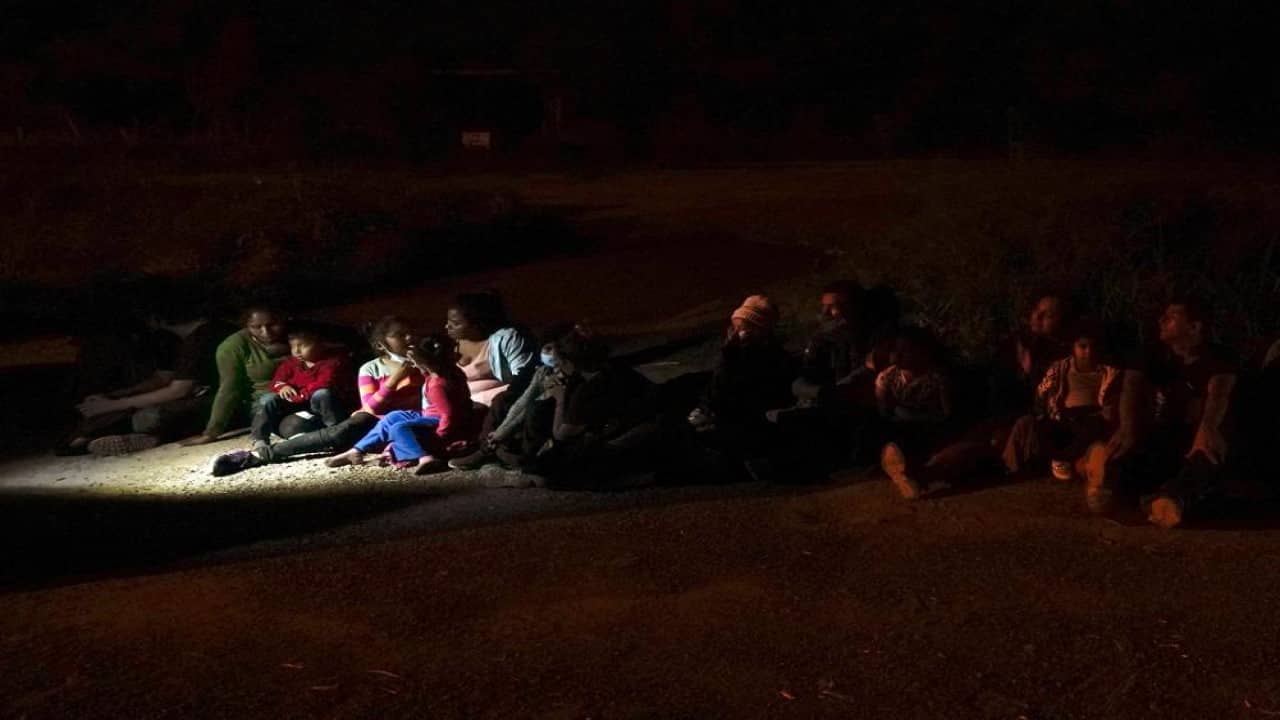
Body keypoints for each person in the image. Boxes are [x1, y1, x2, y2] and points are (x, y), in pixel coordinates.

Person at [209, 316, 425, 476]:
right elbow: (372, 407)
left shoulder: (428, 362)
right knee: (339, 431)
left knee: (339, 429)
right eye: (399, 335)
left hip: (416, 418)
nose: (409, 337)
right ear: (381, 344)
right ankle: (259, 455)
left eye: (412, 331)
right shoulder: (371, 369)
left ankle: (264, 453)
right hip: (378, 420)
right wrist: (394, 379)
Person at [1101, 298, 1239, 528]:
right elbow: (1131, 385)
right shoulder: (1154, 353)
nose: (1161, 321)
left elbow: (1219, 393)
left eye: (1172, 317)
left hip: (1199, 437)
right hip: (1169, 434)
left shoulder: (1219, 357)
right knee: (1128, 455)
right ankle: (1137, 493)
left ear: (1194, 327)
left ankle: (1173, 498)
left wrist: (1208, 427)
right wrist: (1127, 426)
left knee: (1211, 445)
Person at [59, 301, 236, 456]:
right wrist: (116, 396)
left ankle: (97, 439)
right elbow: (164, 378)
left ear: (156, 320)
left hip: (229, 401)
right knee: (139, 410)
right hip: (215, 396)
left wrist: (110, 405)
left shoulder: (200, 340)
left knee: (151, 415)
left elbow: (178, 390)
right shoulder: (196, 335)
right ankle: (98, 437)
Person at [325, 332, 478, 474]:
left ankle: (425, 458)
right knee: (394, 417)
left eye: (415, 361)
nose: (413, 365)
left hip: (442, 423)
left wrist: (441, 437)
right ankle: (356, 451)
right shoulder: (449, 373)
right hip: (432, 416)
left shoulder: (437, 384)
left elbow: (448, 415)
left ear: (425, 362)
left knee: (399, 428)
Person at [529, 328, 658, 489]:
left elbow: (561, 435)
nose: (558, 369)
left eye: (560, 364)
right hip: (646, 429)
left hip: (629, 441)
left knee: (549, 470)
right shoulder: (613, 369)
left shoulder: (588, 389)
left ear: (571, 363)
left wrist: (560, 397)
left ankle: (622, 479)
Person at [1000, 320, 1122, 479]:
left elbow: (1110, 408)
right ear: (1074, 348)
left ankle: (1068, 461)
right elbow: (1041, 394)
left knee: (1092, 428)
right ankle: (1009, 469)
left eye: (1093, 347)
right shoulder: (1060, 369)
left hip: (1090, 419)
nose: (1088, 352)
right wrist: (1045, 409)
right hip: (1062, 419)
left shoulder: (1108, 373)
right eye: (1083, 347)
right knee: (1026, 423)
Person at [447, 322, 576, 471]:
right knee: (502, 400)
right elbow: (524, 400)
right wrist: (499, 434)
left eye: (557, 348)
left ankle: (528, 459)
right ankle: (487, 449)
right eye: (547, 348)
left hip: (559, 423)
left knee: (536, 409)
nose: (551, 353)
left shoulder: (573, 375)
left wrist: (502, 433)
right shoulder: (542, 372)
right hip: (533, 411)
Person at [180, 306, 289, 446]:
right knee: (294, 426)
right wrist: (211, 432)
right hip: (266, 402)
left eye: (272, 325)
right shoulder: (232, 347)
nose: (266, 332)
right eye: (257, 327)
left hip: (304, 393)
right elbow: (229, 389)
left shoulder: (297, 335)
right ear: (246, 326)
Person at [243, 324, 352, 457]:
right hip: (294, 405)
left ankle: (336, 434)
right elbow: (276, 381)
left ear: (320, 344)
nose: (297, 351)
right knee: (267, 399)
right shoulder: (291, 363)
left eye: (303, 346)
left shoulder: (332, 363)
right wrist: (283, 387)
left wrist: (297, 396)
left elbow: (323, 384)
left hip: (316, 404)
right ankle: (259, 439)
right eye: (293, 346)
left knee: (323, 393)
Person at [874, 326, 954, 499]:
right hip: (898, 427)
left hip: (927, 428)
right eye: (897, 350)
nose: (898, 355)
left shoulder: (937, 378)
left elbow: (946, 414)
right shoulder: (887, 378)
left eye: (906, 350)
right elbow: (883, 412)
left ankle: (909, 472)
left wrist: (917, 417)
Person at [444, 291, 538, 408]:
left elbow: (525, 380)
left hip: (501, 407)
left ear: (478, 324)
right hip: (464, 411)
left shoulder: (507, 338)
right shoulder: (449, 345)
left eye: (455, 323)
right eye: (448, 321)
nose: (448, 326)